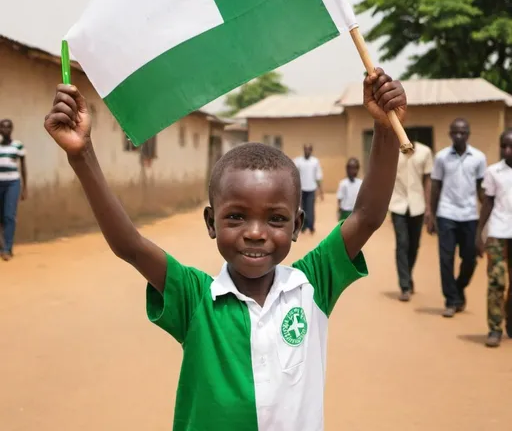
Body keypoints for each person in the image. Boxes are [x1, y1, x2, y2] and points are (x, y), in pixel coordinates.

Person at [44, 68, 406, 431]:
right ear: (210, 222)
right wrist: (82, 155)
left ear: (297, 226)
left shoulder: (311, 285)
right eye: (236, 216)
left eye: (275, 220)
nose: (254, 233)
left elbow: (367, 215)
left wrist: (385, 128)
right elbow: (131, 247)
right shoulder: (195, 297)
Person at [429, 118, 486, 318]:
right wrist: (431, 214)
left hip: (470, 214)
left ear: (468, 134)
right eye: (455, 132)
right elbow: (435, 187)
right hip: (446, 213)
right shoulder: (442, 157)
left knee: (470, 258)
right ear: (450, 134)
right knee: (446, 259)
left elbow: (481, 189)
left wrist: (488, 213)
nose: (459, 136)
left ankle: (459, 286)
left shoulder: (479, 158)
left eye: (463, 133)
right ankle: (451, 301)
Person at [476, 129, 512, 348]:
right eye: (504, 146)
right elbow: (487, 203)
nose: (507, 150)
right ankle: (494, 328)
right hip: (498, 233)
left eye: (511, 146)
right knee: (496, 281)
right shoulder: (493, 172)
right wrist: (480, 233)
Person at [389, 141, 433, 301]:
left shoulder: (425, 152)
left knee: (414, 245)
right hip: (397, 204)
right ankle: (405, 286)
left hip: (417, 205)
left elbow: (428, 180)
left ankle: (407, 274)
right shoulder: (392, 152)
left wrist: (428, 208)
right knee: (402, 243)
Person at [0, 119, 27, 261]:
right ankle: (2, 246)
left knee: (9, 216)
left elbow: (23, 167)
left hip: (12, 183)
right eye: (3, 128)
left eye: (8, 127)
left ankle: (7, 249)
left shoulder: (18, 146)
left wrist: (24, 188)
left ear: (12, 129)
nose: (6, 130)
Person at [294, 144, 323, 233]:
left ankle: (311, 226)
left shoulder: (315, 161)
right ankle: (303, 226)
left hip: (311, 189)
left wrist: (321, 191)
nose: (307, 151)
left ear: (311, 150)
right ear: (303, 150)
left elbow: (318, 176)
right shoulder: (298, 161)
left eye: (309, 149)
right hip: (301, 189)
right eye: (305, 149)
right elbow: (294, 174)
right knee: (302, 209)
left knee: (310, 209)